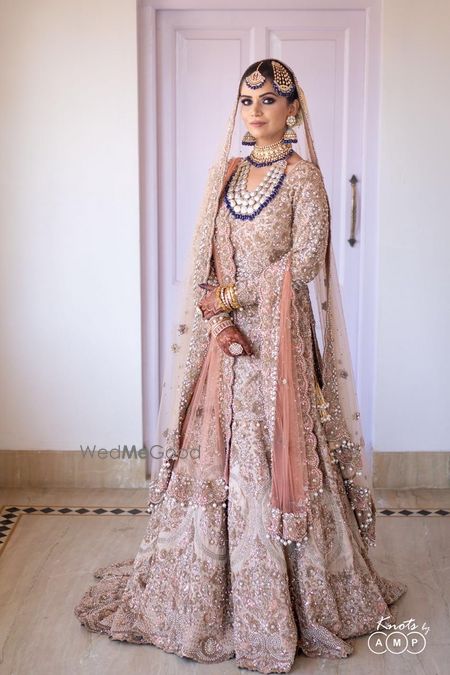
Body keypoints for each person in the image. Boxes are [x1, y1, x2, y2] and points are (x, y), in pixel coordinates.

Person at [74, 59, 407, 674]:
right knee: (221, 448)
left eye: (271, 99)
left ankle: (286, 590)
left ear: (294, 110)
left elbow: (305, 261)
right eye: (247, 98)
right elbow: (204, 254)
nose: (256, 109)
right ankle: (208, 585)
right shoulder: (225, 175)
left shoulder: (305, 179)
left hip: (278, 337)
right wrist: (215, 310)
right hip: (225, 339)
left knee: (275, 446)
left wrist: (238, 297)